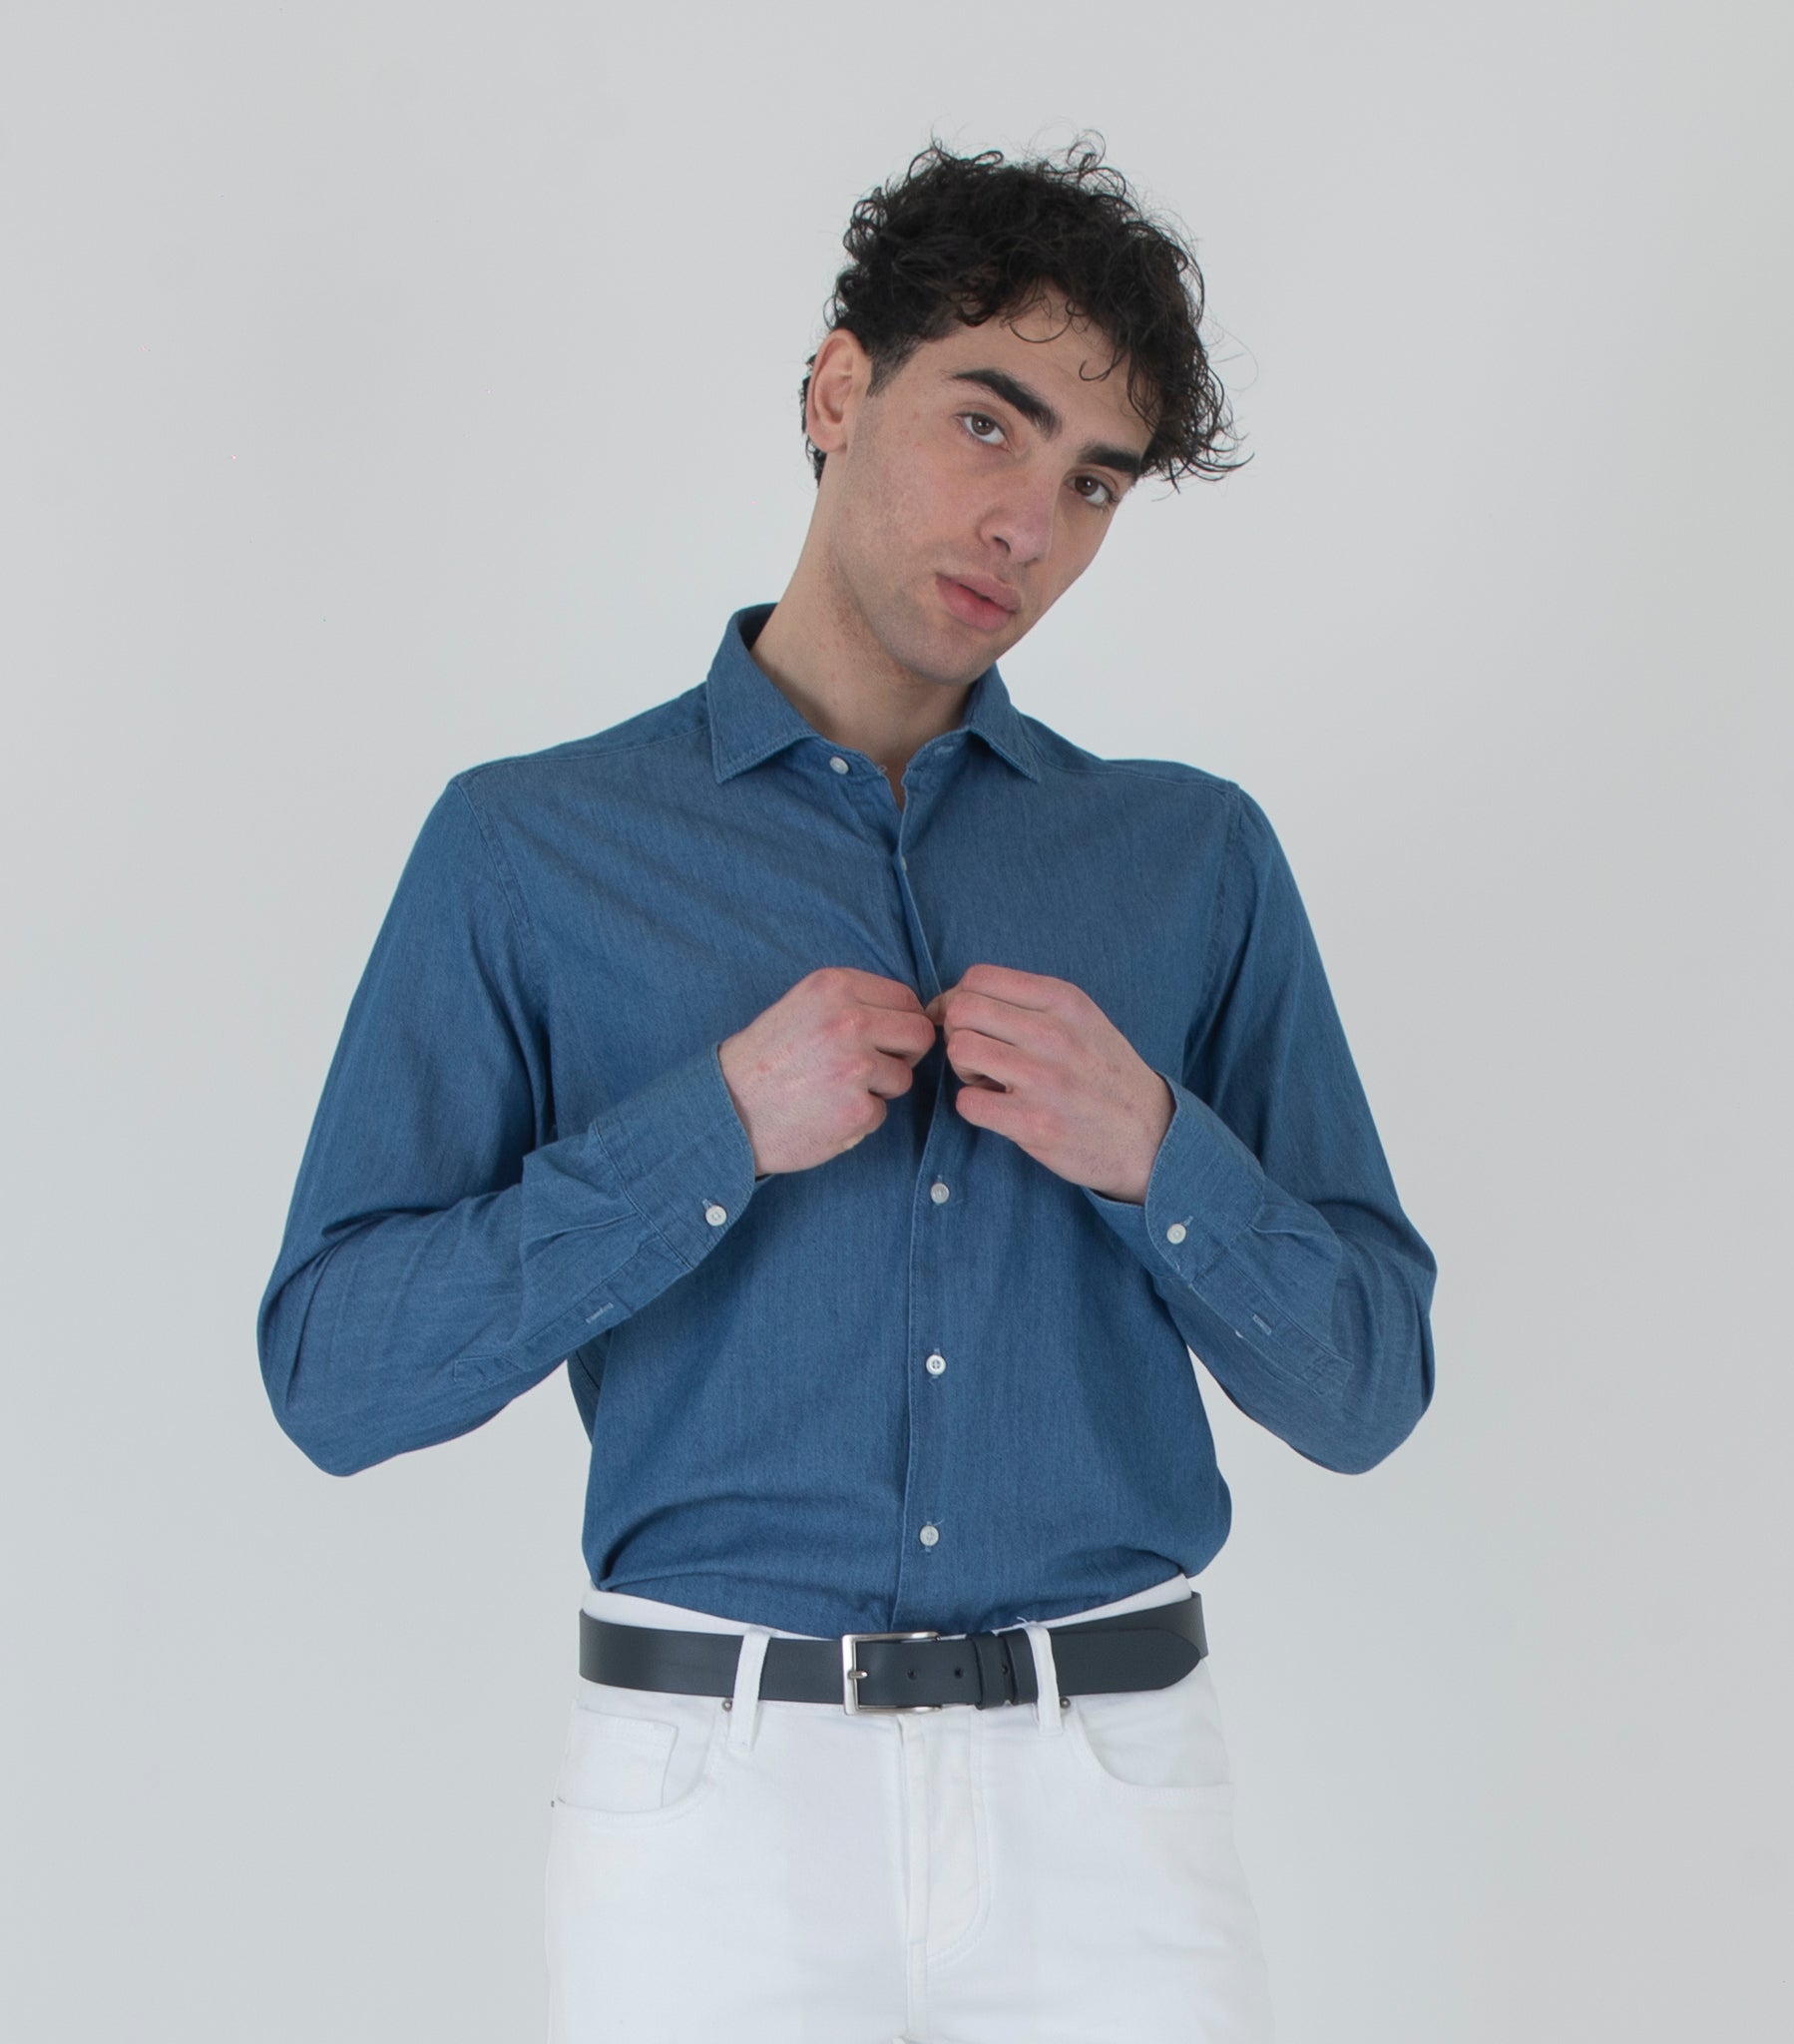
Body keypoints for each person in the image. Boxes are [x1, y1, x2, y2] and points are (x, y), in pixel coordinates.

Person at [257, 133, 1438, 2044]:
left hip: (1115, 1807)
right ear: (833, 392)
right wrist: (707, 1136)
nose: (1028, 524)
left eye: (1093, 481)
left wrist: (1156, 1153)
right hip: (710, 1817)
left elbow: (1369, 1388)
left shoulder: (1190, 860)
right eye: (987, 424)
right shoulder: (528, 849)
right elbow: (334, 1375)